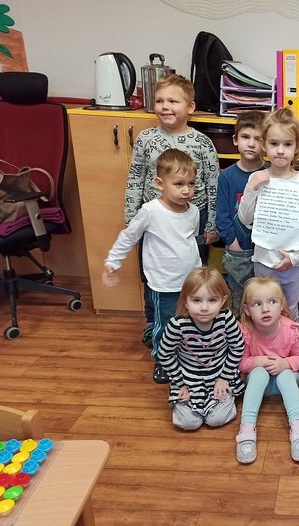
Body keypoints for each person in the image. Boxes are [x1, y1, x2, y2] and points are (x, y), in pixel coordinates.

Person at [125, 74, 220, 348]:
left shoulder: (202, 143)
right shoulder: (146, 139)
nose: (165, 106)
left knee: (192, 276)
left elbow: (213, 184)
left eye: (173, 101)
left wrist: (211, 224)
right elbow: (135, 177)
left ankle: (190, 323)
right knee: (153, 275)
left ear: (190, 107)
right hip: (154, 222)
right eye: (159, 101)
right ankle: (153, 323)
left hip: (193, 220)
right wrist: (131, 218)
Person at [103, 149, 201, 383]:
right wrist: (112, 261)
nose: (186, 190)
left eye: (191, 184)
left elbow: (191, 241)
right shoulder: (150, 211)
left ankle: (186, 355)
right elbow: (129, 236)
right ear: (159, 183)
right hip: (163, 283)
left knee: (189, 322)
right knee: (165, 324)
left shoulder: (194, 211)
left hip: (191, 282)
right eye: (179, 184)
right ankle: (163, 360)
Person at [237, 108, 299, 323]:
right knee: (263, 308)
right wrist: (252, 189)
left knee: (290, 309)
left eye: (287, 144)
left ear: (297, 147)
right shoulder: (257, 178)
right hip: (264, 261)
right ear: (264, 145)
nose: (280, 151)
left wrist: (296, 257)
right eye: (274, 144)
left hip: (293, 263)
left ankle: (290, 343)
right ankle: (264, 342)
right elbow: (245, 219)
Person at [156, 267, 245, 430]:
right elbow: (165, 354)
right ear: (185, 301)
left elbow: (237, 346)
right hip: (188, 380)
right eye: (196, 300)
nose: (204, 307)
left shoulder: (227, 319)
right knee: (189, 423)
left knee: (216, 420)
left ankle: (226, 398)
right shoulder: (177, 325)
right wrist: (180, 383)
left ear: (223, 301)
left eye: (212, 300)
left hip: (220, 376)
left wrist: (224, 378)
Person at [235, 277, 299, 464]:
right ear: (247, 309)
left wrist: (285, 363)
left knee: (285, 375)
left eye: (272, 302)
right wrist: (258, 361)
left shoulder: (290, 329)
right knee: (258, 372)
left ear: (281, 305)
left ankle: (298, 426)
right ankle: (247, 427)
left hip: (286, 381)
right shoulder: (245, 331)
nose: (265, 309)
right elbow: (240, 363)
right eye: (257, 304)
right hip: (260, 384)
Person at [216, 111, 266, 314]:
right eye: (245, 137)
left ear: (266, 143)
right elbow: (222, 217)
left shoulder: (271, 173)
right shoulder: (227, 177)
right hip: (238, 250)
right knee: (240, 301)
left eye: (258, 139)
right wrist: (233, 245)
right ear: (235, 140)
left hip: (265, 252)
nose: (251, 144)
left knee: (263, 300)